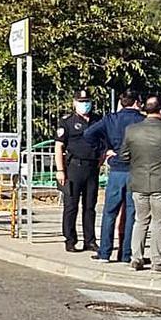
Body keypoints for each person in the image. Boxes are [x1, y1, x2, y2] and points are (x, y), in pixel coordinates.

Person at [120, 96, 161, 273]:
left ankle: (136, 258)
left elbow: (123, 155)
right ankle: (157, 260)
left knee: (140, 221)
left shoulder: (131, 130)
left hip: (138, 181)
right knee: (159, 222)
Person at [85, 90, 145, 263]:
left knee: (110, 212)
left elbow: (88, 134)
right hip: (135, 169)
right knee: (131, 213)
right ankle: (126, 253)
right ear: (137, 102)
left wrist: (104, 150)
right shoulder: (142, 121)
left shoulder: (111, 119)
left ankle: (105, 252)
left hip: (117, 169)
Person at [55, 89, 102, 253]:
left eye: (87, 101)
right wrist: (60, 170)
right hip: (74, 168)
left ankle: (90, 240)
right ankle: (70, 239)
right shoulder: (67, 122)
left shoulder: (97, 120)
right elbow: (59, 146)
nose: (84, 104)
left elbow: (103, 144)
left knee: (90, 207)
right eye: (81, 101)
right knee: (71, 206)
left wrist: (100, 162)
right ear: (74, 103)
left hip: (92, 168)